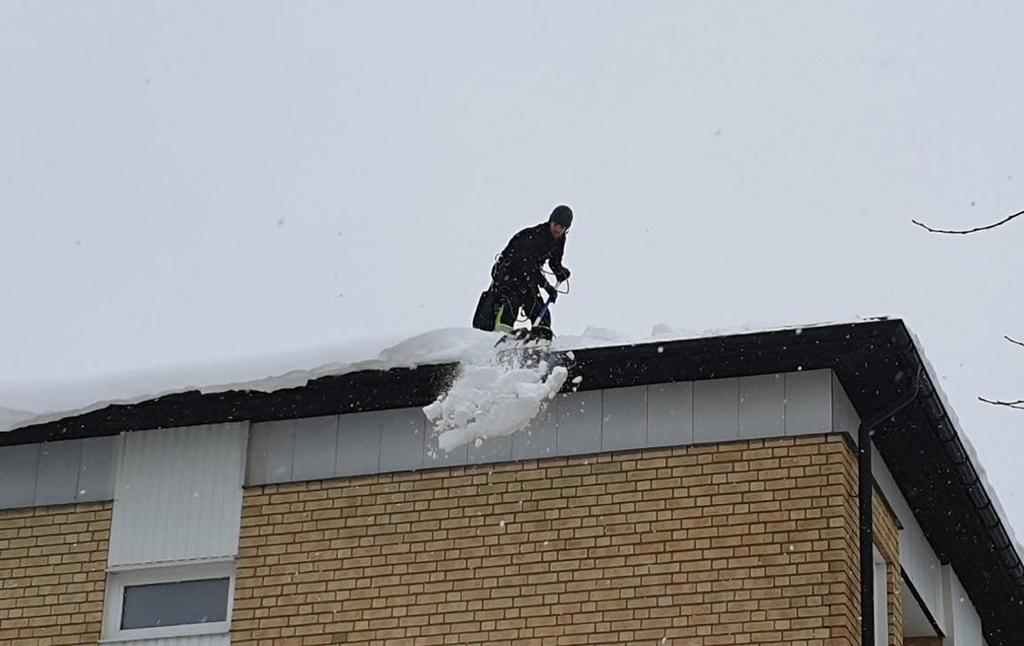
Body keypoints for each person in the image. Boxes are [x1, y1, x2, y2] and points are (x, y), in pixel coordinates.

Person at [473, 205, 573, 339]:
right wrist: (547, 286)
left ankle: (540, 343)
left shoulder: (559, 240)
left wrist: (560, 271)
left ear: (566, 229)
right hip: (509, 276)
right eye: (555, 224)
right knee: (510, 306)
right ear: (550, 222)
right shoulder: (536, 236)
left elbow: (554, 262)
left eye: (561, 227)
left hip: (528, 281)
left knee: (541, 314)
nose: (557, 229)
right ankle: (499, 341)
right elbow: (529, 266)